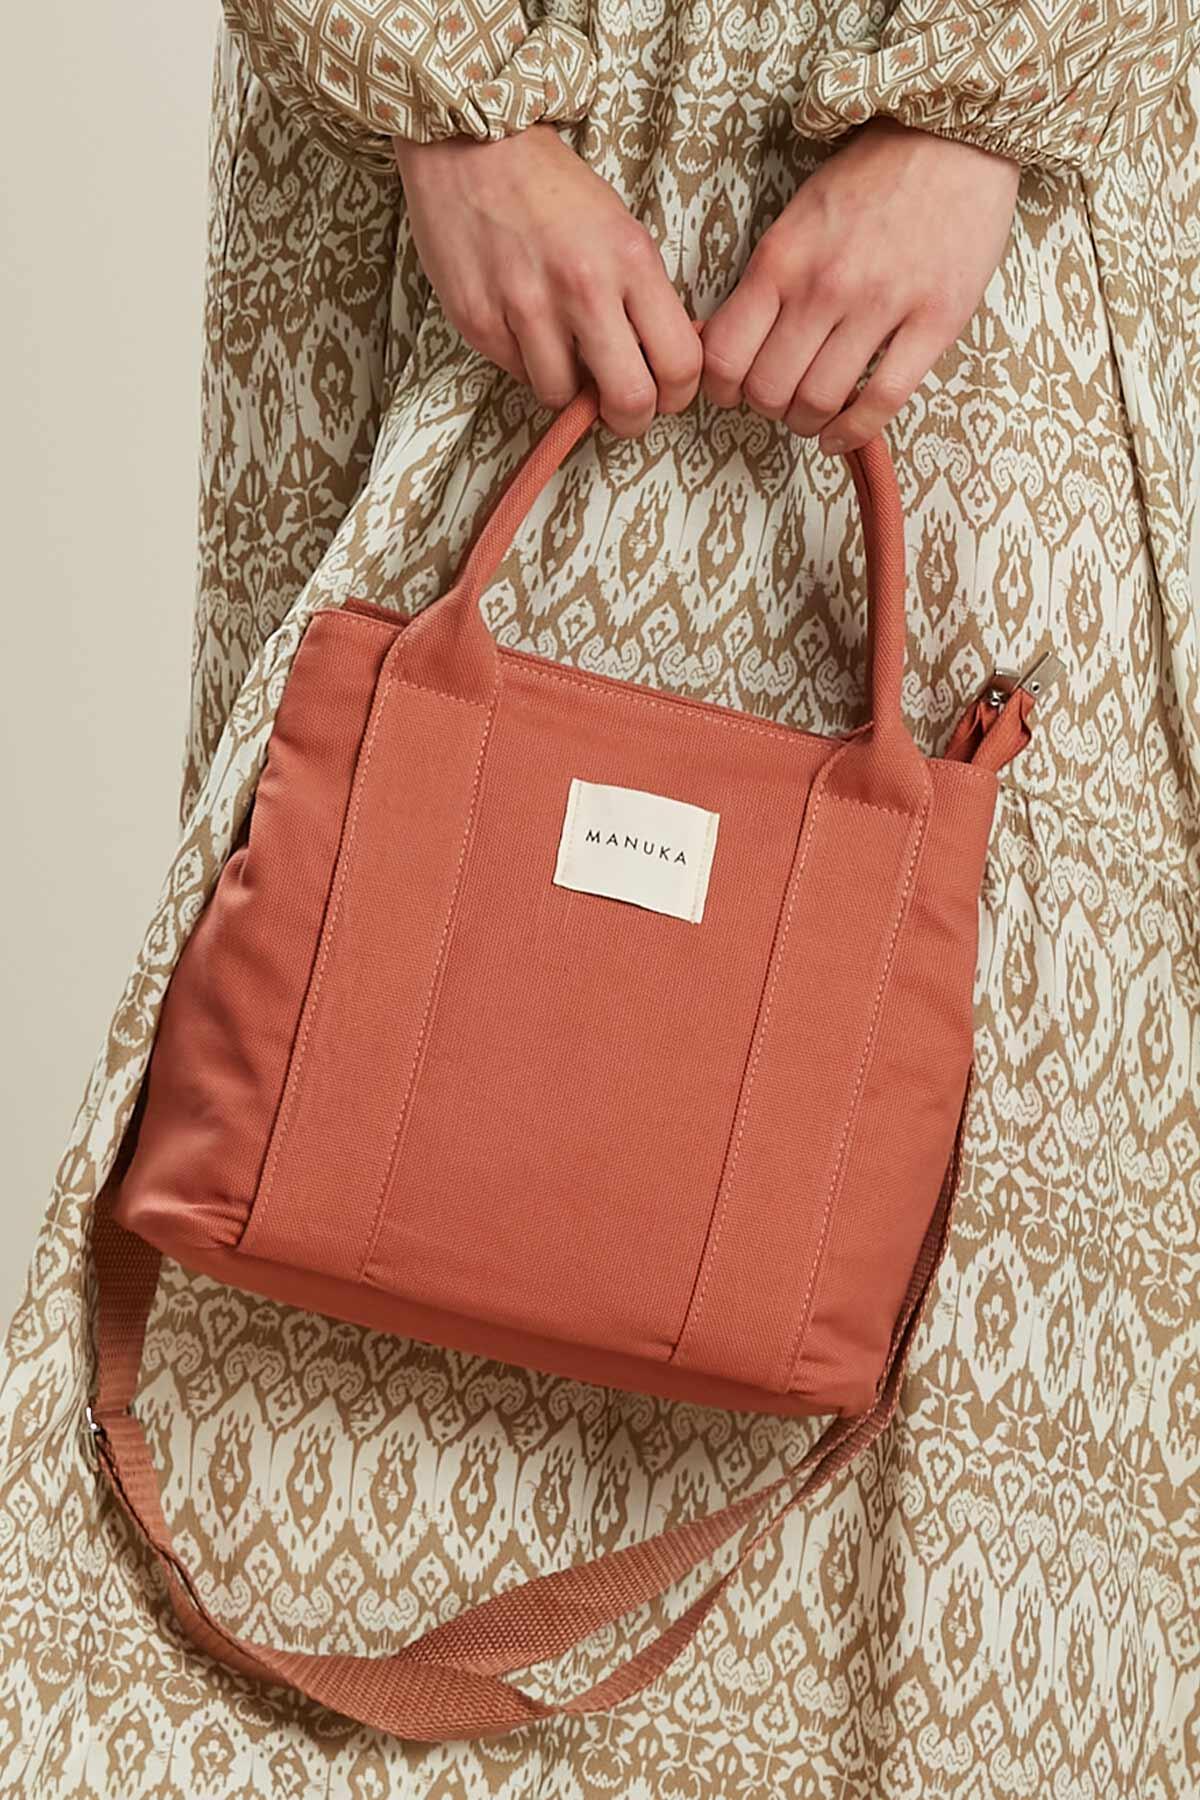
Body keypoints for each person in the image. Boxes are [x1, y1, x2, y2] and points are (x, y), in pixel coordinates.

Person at [2, 3, 1198, 1793]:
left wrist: (987, 106)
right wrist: (443, 94)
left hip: (1001, 250)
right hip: (481, 198)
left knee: (970, 1355)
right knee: (324, 1173)